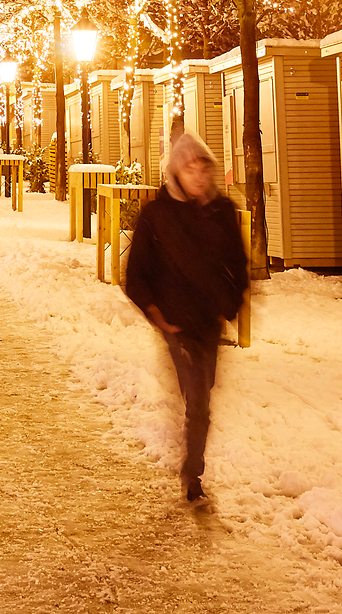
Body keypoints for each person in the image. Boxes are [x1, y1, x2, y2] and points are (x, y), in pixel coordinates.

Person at [123, 130, 248, 508]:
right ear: (176, 172)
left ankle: (192, 464)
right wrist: (159, 315)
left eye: (203, 168)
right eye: (189, 168)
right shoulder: (157, 215)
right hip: (176, 325)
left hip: (208, 321)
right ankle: (194, 475)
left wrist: (229, 303)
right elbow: (135, 275)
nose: (197, 175)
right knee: (196, 399)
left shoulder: (221, 211)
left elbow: (239, 263)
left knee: (202, 396)